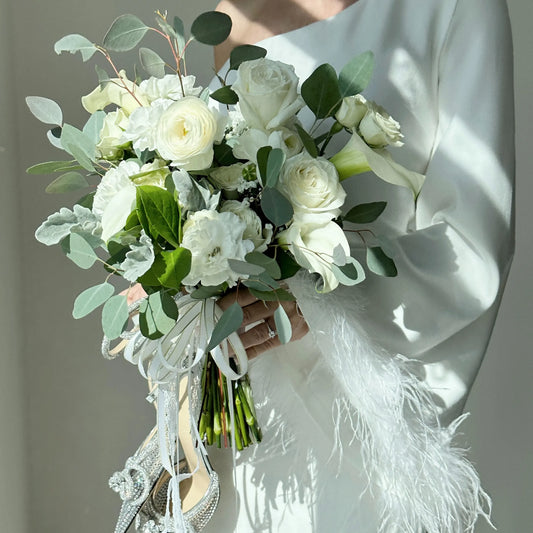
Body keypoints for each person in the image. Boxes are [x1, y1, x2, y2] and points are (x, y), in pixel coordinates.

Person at [197, 0, 516, 532]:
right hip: (240, 428)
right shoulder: (232, 15)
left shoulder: (456, 8)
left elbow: (473, 243)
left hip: (350, 415)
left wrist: (313, 299)